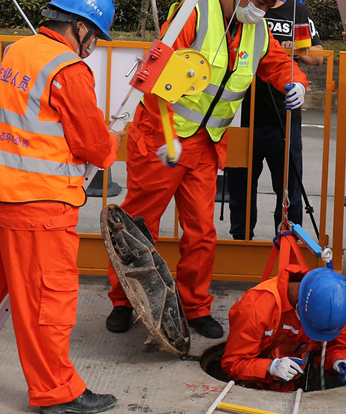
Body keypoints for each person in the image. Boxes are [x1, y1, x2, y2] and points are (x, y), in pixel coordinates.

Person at [105, 0, 308, 338]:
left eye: (270, 3)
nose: (265, 8)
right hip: (162, 138)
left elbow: (276, 62)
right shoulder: (193, 13)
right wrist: (167, 135)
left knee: (201, 232)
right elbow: (157, 72)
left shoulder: (255, 30)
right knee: (138, 227)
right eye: (260, 2)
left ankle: (195, 306)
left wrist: (296, 82)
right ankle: (124, 302)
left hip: (205, 145)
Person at [0, 0, 125, 412]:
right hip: (40, 207)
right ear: (81, 27)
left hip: (6, 195)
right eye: (94, 38)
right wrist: (112, 142)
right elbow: (92, 144)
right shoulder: (68, 69)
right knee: (47, 306)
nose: (92, 48)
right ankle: (57, 392)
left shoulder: (16, 50)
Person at [226, 0, 323, 240]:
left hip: (283, 115)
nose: (263, 9)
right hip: (241, 114)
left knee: (288, 186)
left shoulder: (296, 11)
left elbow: (318, 55)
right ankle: (241, 240)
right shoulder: (238, 11)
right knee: (241, 185)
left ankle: (289, 241)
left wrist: (294, 52)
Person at [221, 265, 346, 391]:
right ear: (300, 308)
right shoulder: (256, 309)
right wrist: (270, 367)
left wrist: (339, 360)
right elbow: (233, 364)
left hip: (296, 386)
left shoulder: (334, 308)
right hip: (253, 389)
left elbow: (331, 347)